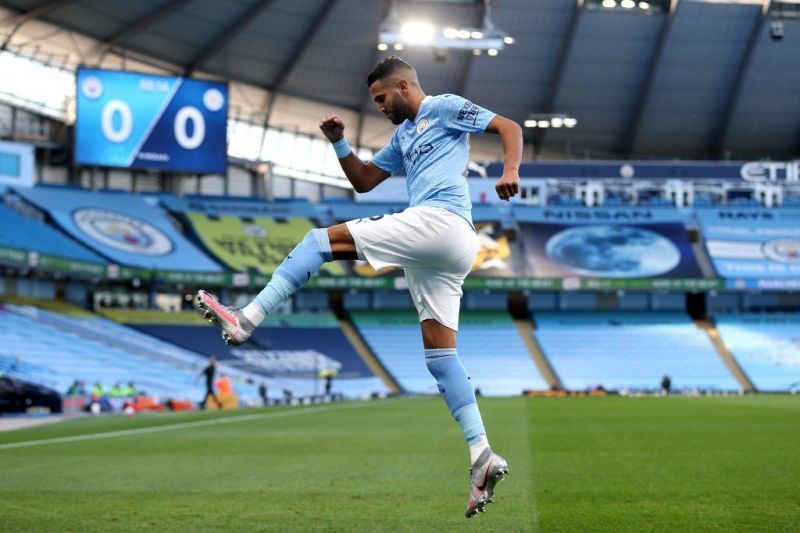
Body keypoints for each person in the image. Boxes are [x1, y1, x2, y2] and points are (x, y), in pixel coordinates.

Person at [194, 56, 521, 518]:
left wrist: (510, 172)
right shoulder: (404, 136)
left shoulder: (445, 108)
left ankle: (247, 317)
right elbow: (365, 181)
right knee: (440, 356)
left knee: (317, 241)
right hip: (445, 247)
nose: (380, 107)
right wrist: (339, 143)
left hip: (442, 222)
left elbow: (508, 126)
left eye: (382, 98)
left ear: (403, 86)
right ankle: (482, 454)